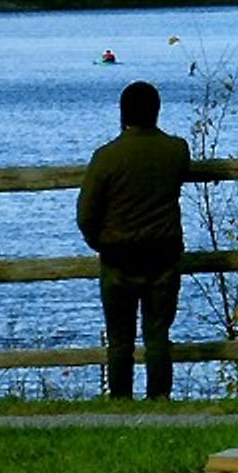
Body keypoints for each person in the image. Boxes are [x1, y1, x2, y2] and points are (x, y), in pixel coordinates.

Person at [76, 79, 190, 399]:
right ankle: (159, 400)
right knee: (157, 336)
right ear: (156, 111)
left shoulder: (105, 157)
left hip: (118, 258)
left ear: (122, 113)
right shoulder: (176, 150)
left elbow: (86, 214)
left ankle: (120, 401)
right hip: (163, 256)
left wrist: (102, 243)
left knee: (120, 340)